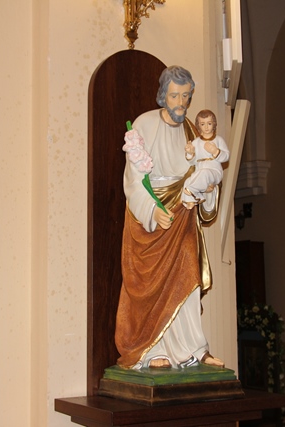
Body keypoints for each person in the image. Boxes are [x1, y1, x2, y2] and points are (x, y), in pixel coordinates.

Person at [115, 65, 224, 370]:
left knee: (186, 277)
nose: (181, 103)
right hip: (151, 218)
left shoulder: (192, 131)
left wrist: (209, 190)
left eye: (186, 96)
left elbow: (204, 173)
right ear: (163, 94)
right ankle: (152, 349)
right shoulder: (144, 124)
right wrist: (151, 211)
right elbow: (134, 180)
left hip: (183, 214)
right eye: (175, 95)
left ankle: (193, 349)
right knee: (150, 284)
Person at [181, 109, 230, 209]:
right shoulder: (196, 142)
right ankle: (191, 200)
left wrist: (215, 151)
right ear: (198, 126)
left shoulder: (218, 140)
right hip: (200, 171)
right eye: (203, 124)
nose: (206, 127)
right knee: (188, 181)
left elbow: (226, 156)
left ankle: (192, 191)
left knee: (204, 173)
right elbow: (192, 162)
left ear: (214, 124)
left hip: (214, 171)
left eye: (209, 123)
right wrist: (190, 153)